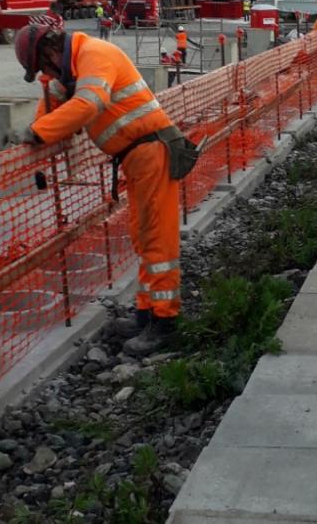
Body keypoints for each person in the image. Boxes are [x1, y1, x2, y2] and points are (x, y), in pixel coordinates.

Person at [13, 24, 192, 356]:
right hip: (138, 156)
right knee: (143, 237)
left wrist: (39, 131)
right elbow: (60, 104)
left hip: (151, 152)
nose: (46, 73)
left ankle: (165, 323)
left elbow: (88, 104)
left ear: (51, 53)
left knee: (157, 240)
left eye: (43, 67)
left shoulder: (95, 54)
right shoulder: (76, 66)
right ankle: (146, 313)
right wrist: (48, 103)